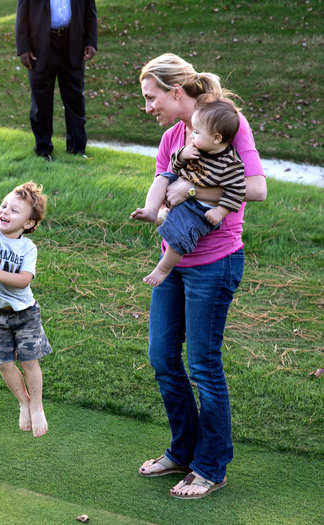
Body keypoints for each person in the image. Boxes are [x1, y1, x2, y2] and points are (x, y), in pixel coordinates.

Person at [133, 53, 267, 499]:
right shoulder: (173, 137)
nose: (148, 106)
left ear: (176, 92)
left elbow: (257, 187)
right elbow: (161, 181)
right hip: (175, 262)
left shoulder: (230, 123)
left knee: (203, 366)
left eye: (152, 98)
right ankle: (183, 451)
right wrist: (157, 209)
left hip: (215, 262)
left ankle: (211, 466)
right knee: (161, 357)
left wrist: (193, 190)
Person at [132, 94, 246, 286]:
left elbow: (237, 191)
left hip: (201, 209)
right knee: (163, 178)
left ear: (217, 138)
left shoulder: (231, 164)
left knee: (181, 235)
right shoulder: (195, 149)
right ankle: (151, 210)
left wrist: (220, 211)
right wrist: (182, 155)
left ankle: (163, 268)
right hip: (180, 185)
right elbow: (174, 168)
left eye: (197, 132)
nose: (191, 136)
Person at [0, 181, 52, 438]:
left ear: (29, 223)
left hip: (24, 313)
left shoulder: (28, 248)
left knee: (29, 361)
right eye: (4, 206)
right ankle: (23, 402)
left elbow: (24, 280)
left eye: (15, 211)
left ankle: (37, 406)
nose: (5, 212)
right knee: (4, 363)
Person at [15, 0, 98, 160]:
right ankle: (43, 150)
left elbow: (90, 11)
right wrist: (23, 48)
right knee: (41, 102)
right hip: (40, 46)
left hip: (73, 43)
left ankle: (77, 149)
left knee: (75, 99)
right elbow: (22, 13)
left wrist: (91, 41)